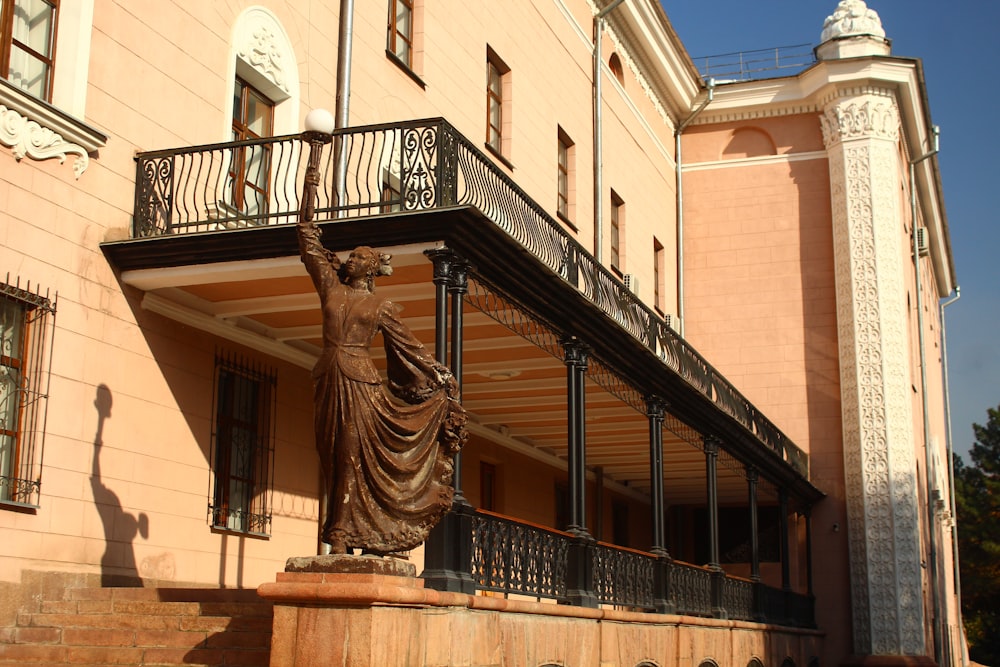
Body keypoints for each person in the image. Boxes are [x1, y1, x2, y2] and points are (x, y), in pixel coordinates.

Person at [297, 169, 466, 556]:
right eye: (352, 255)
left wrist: (440, 377)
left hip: (360, 384)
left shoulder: (380, 306)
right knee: (331, 454)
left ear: (372, 268)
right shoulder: (330, 288)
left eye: (359, 257)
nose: (351, 259)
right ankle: (349, 531)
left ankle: (344, 535)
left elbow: (409, 348)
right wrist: (312, 176)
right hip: (327, 378)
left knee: (352, 453)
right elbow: (306, 236)